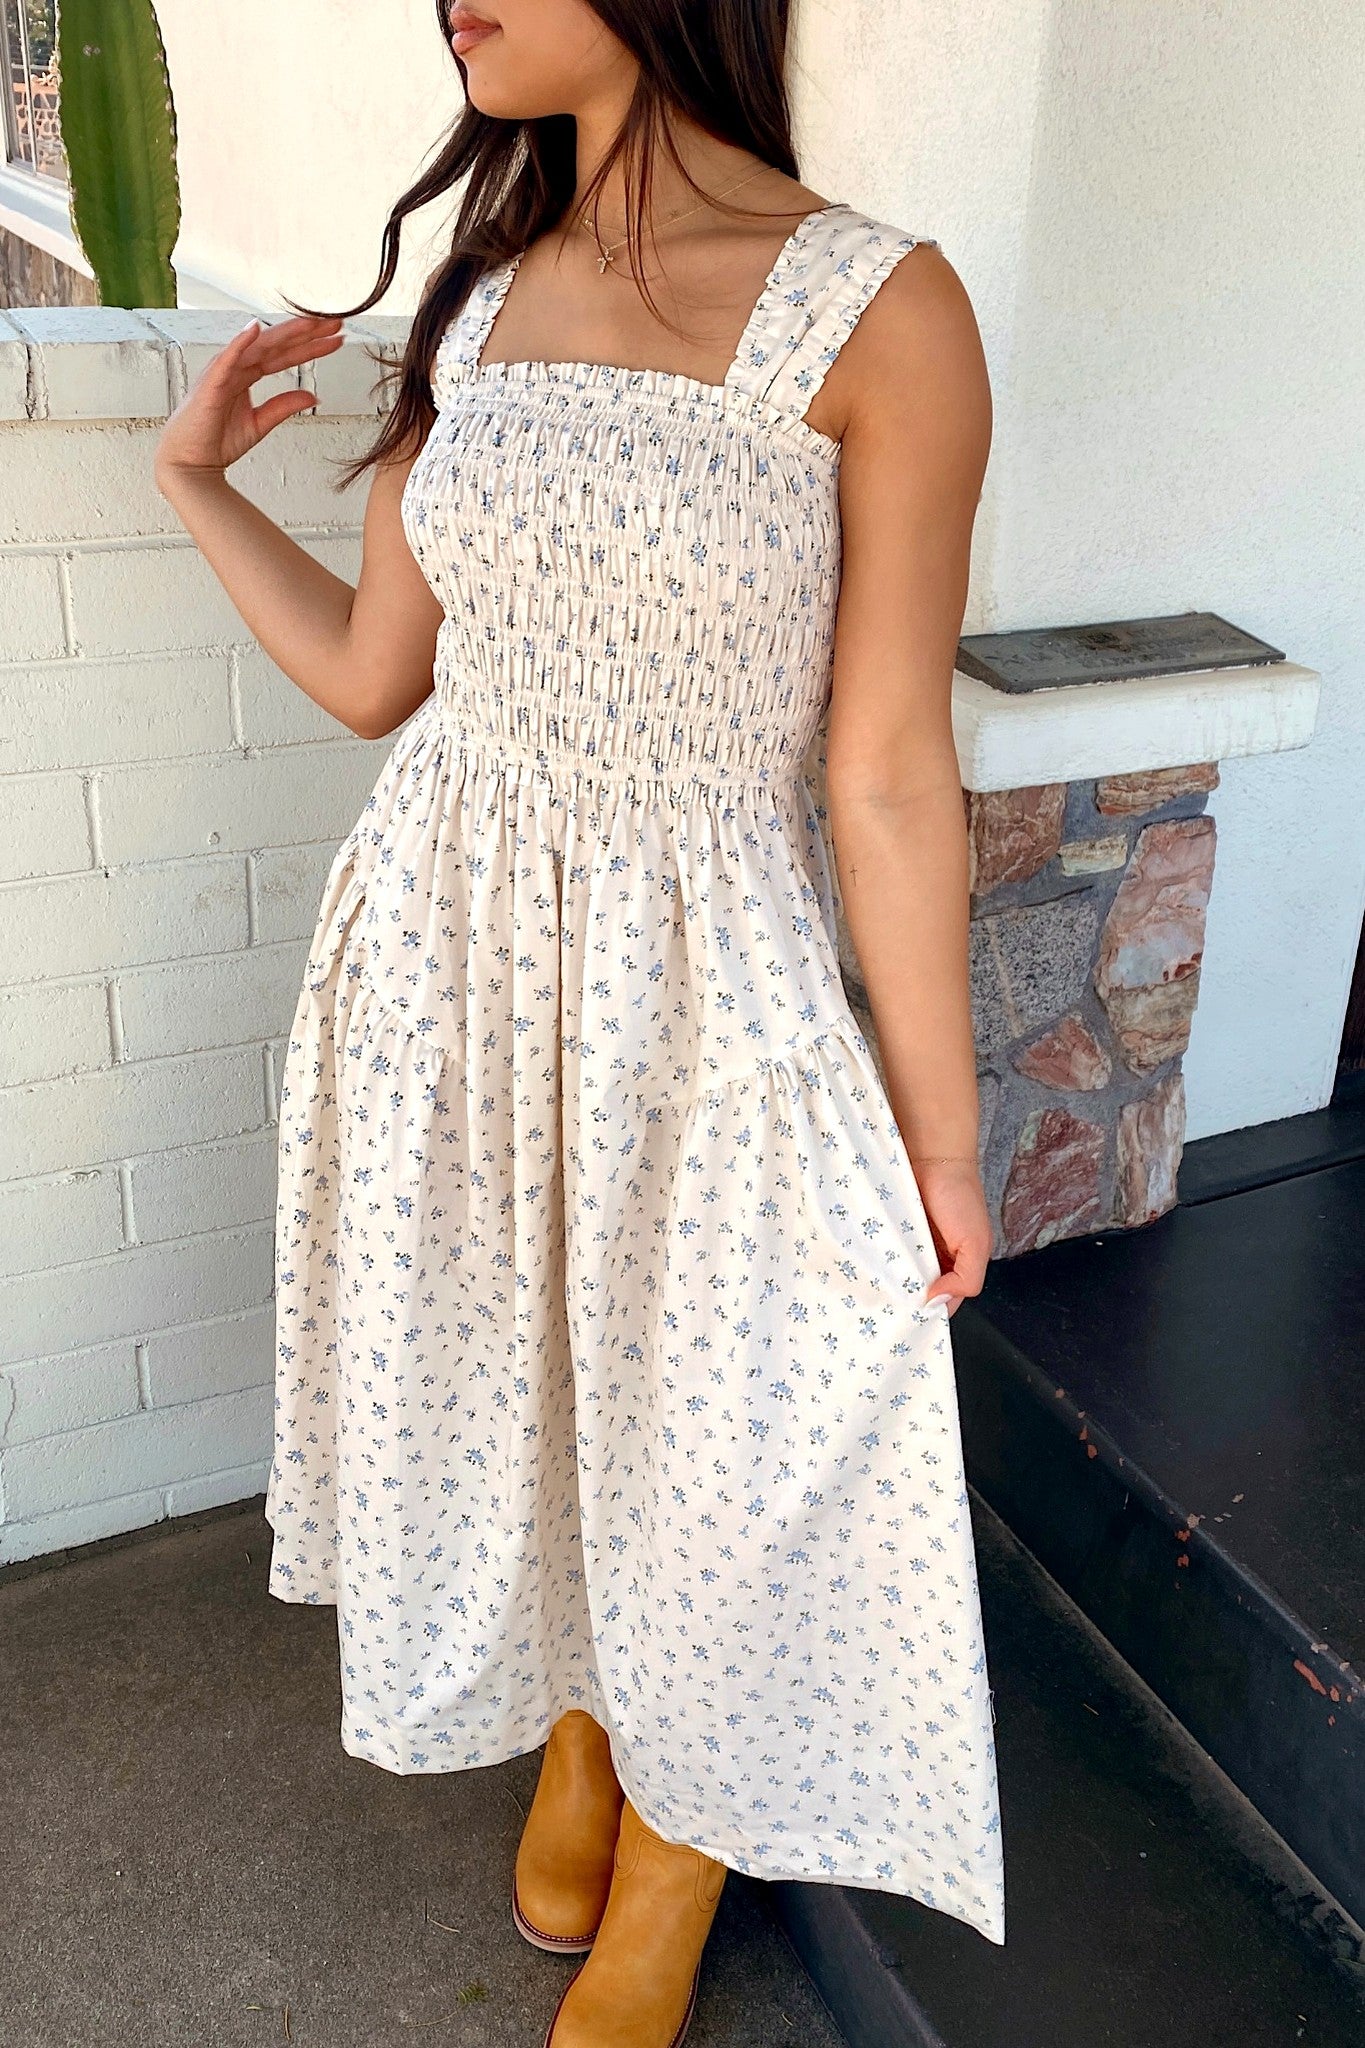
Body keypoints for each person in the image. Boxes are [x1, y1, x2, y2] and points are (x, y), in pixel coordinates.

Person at [154, 2, 1004, 2040]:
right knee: (511, 1363)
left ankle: (683, 1832)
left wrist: (940, 1131)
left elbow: (884, 763)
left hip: (706, 969)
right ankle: (583, 1716)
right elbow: (377, 674)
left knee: (718, 1415)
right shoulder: (475, 303)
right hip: (443, 947)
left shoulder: (880, 309)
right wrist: (191, 482)